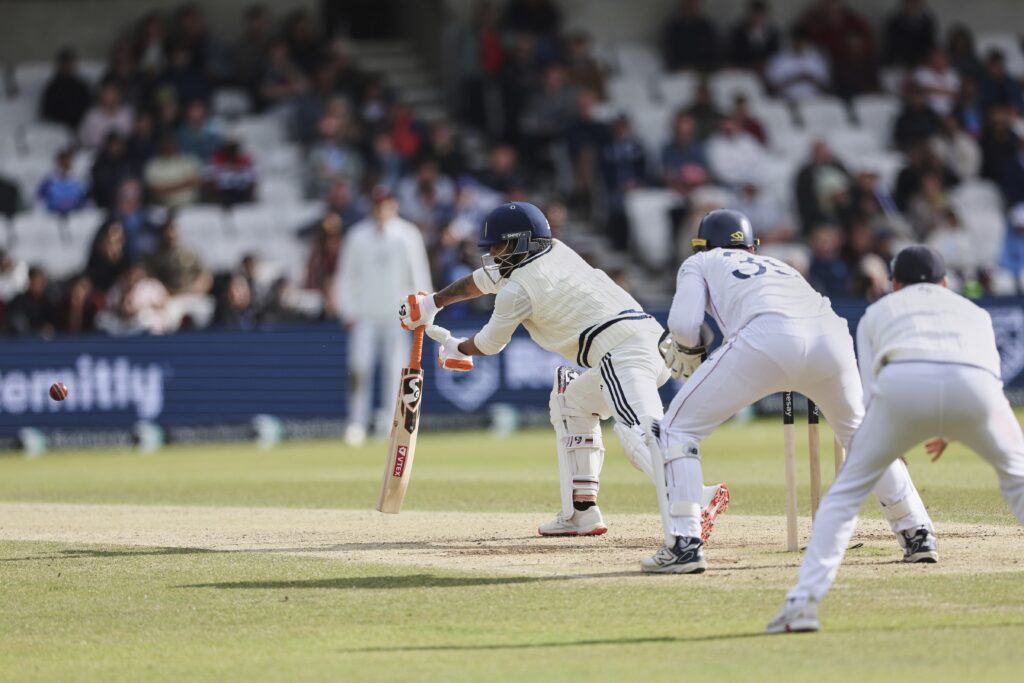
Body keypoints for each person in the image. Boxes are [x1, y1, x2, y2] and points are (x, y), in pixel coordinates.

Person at [399, 202, 731, 541]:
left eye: (499, 246)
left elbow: (489, 343)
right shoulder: (556, 251)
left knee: (639, 434)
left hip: (621, 350)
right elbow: (479, 282)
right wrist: (432, 303)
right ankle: (581, 513)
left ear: (521, 243)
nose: (493, 254)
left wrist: (456, 347)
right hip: (643, 341)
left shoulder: (517, 290)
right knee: (570, 401)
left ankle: (696, 498)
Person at [628, 210, 936, 573]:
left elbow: (683, 324)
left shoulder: (700, 261)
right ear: (752, 246)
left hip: (766, 337)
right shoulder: (778, 265)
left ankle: (684, 543)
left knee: (676, 430)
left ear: (703, 243)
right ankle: (917, 531)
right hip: (831, 337)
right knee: (860, 436)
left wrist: (688, 347)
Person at [768, 246, 1024, 633]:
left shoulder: (877, 312)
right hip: (978, 391)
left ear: (894, 284)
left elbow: (869, 391)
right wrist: (956, 427)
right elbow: (988, 379)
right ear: (945, 282)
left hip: (902, 387)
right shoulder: (975, 311)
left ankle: (802, 604)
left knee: (843, 498)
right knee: (1018, 480)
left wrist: (886, 440)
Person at [336, 188, 432, 446]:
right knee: (359, 371)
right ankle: (356, 424)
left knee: (395, 373)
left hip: (396, 319)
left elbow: (418, 275)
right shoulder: (357, 236)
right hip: (364, 317)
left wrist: (422, 310)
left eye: (386, 205)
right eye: (377, 205)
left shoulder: (407, 235)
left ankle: (392, 425)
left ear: (394, 205)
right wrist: (348, 310)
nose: (381, 210)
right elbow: (346, 276)